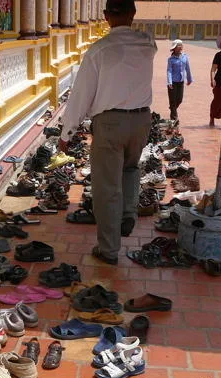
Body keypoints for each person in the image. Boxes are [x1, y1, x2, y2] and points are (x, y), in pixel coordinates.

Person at [58, 0, 157, 265]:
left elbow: (81, 95)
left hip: (110, 123)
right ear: (133, 14)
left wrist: (67, 132)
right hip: (141, 120)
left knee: (106, 186)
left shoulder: (99, 50)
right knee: (131, 168)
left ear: (105, 16)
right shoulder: (148, 44)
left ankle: (109, 249)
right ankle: (128, 213)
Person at [167, 39, 193, 120]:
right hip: (173, 83)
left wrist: (189, 79)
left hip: (181, 82)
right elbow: (169, 71)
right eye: (178, 45)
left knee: (179, 100)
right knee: (173, 101)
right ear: (174, 48)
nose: (180, 47)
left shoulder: (185, 57)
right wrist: (169, 82)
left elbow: (188, 69)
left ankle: (172, 108)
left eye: (181, 45)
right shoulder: (171, 59)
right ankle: (174, 119)